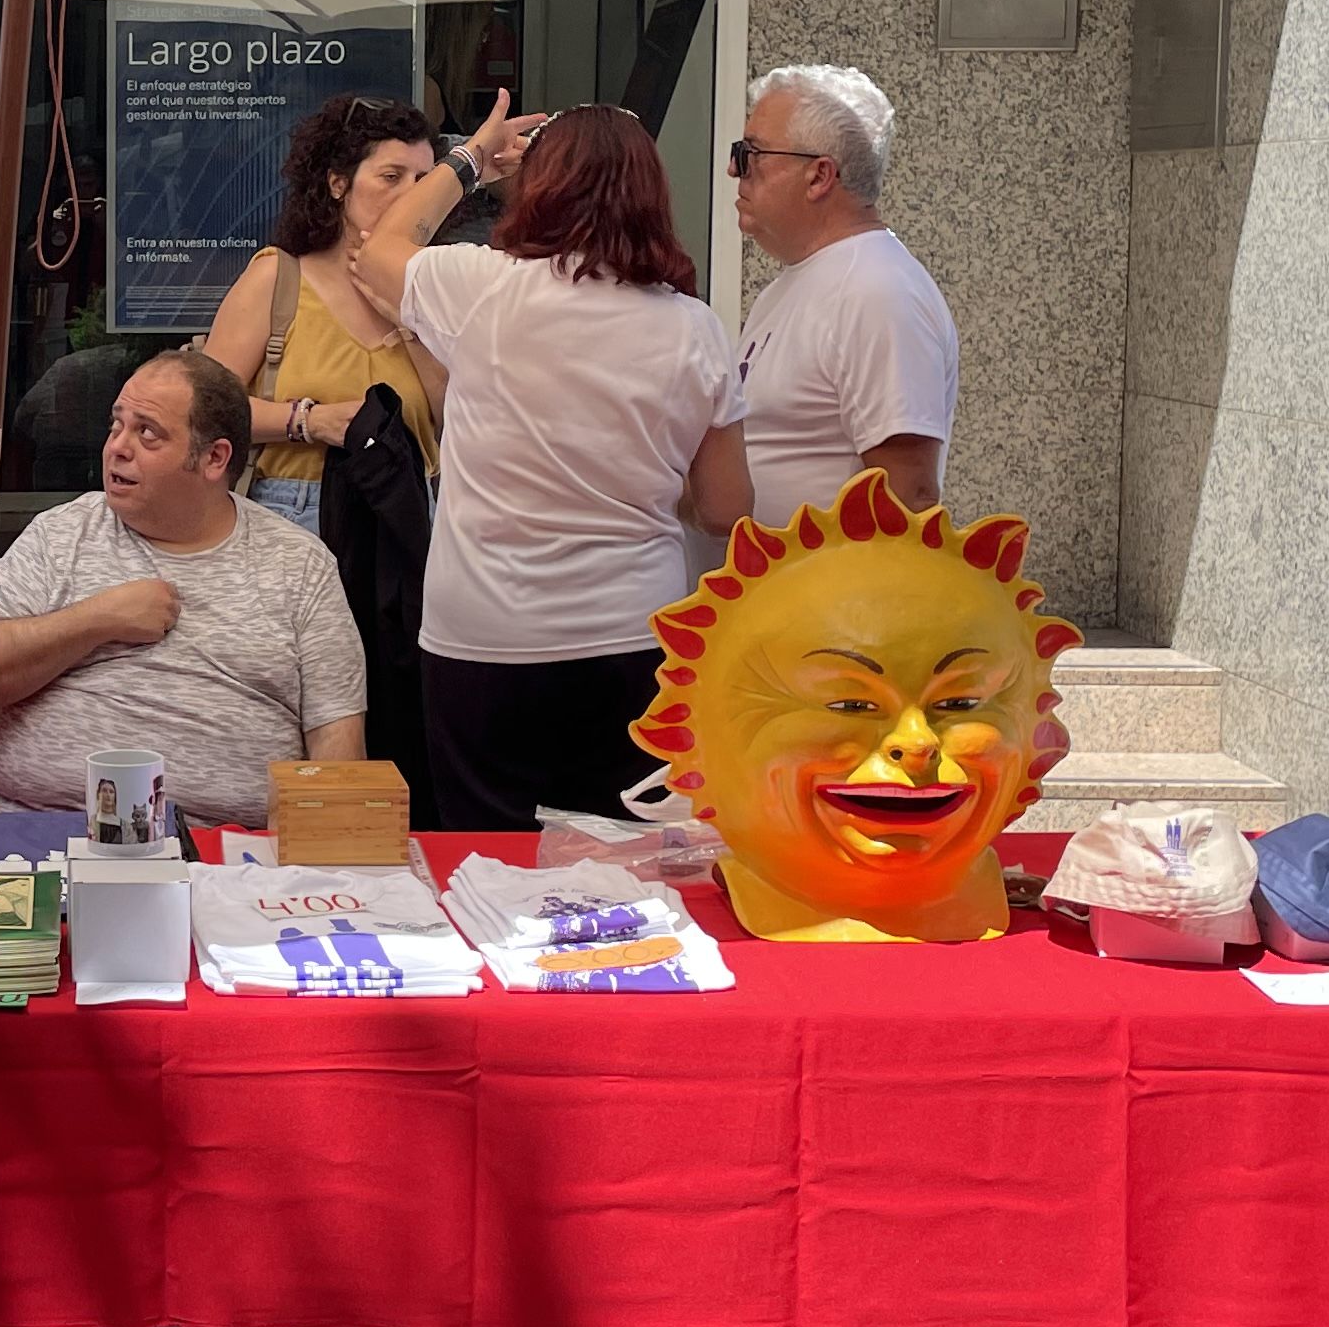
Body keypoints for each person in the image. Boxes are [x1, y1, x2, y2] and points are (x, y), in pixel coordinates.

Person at [355, 99, 754, 833]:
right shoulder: (695, 329)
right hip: (633, 634)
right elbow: (727, 508)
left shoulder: (485, 289)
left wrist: (473, 158)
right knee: (626, 865)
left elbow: (380, 244)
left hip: (484, 635)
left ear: (540, 187)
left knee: (488, 858)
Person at [0, 348, 367, 830]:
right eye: (116, 425)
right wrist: (96, 620)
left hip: (224, 854)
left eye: (147, 432)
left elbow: (338, 749)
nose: (117, 448)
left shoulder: (299, 564)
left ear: (214, 458)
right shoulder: (60, 534)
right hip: (41, 835)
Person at [194, 98, 449, 535]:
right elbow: (203, 409)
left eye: (425, 181)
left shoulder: (435, 283)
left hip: (411, 508)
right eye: (392, 176)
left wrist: (408, 325)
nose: (412, 194)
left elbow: (457, 417)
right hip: (293, 510)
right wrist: (309, 422)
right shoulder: (278, 278)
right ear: (337, 184)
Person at [728, 63, 960, 525]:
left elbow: (908, 495)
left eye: (750, 153)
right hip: (781, 595)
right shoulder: (803, 283)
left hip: (830, 597)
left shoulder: (877, 291)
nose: (735, 169)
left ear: (819, 177)